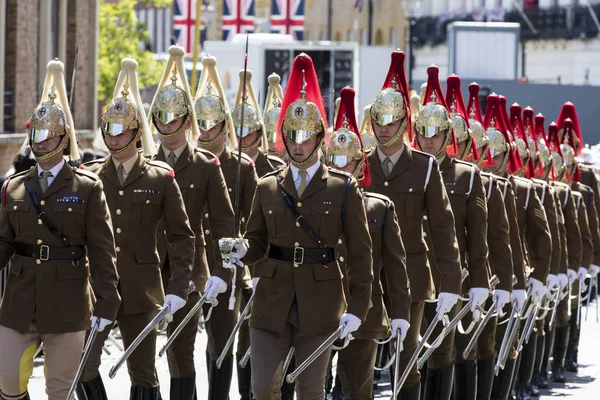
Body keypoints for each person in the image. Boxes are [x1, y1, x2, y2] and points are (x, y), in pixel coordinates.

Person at [222, 53, 373, 400]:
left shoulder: (343, 188)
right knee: (262, 389)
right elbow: (258, 240)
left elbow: (361, 256)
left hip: (321, 302)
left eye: (306, 136)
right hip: (272, 299)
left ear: (320, 137)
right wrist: (244, 250)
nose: (299, 143)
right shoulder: (267, 185)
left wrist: (357, 310)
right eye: (292, 135)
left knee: (310, 389)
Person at [0, 59, 120, 400]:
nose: (38, 143)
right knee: (8, 379)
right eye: (34, 136)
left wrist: (107, 304)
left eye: (46, 136)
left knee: (60, 390)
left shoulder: (87, 187)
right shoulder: (15, 188)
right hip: (20, 301)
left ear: (63, 139)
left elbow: (102, 248)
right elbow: (4, 240)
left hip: (68, 303)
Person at [78, 58, 195, 400]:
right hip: (97, 289)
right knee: (84, 365)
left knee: (142, 371)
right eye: (109, 131)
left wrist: (176, 288)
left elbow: (182, 236)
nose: (114, 138)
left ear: (136, 133)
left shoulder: (160, 177)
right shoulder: (92, 176)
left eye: (122, 131)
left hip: (142, 290)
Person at [366, 50, 463, 400]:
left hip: (412, 275)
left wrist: (450, 282)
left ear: (404, 122)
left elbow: (442, 227)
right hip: (367, 275)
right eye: (379, 122)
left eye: (391, 122)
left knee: (407, 360)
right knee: (358, 358)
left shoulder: (425, 167)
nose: (384, 129)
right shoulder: (360, 166)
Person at [148, 45, 235, 399]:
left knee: (180, 353)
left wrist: (224, 274)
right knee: (143, 358)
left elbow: (225, 223)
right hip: (147, 269)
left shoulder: (206, 167)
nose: (167, 127)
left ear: (188, 122)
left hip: (189, 272)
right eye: (161, 119)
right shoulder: (145, 166)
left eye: (174, 119)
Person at [325, 86, 411, 399]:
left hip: (366, 312)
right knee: (315, 388)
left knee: (358, 390)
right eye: (334, 159)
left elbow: (395, 266)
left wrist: (400, 311)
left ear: (361, 165)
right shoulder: (309, 205)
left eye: (347, 161)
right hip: (318, 309)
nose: (339, 166)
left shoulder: (379, 207)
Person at [414, 70, 490, 400]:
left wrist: (478, 282)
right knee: (409, 353)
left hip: (450, 277)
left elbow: (477, 238)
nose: (429, 139)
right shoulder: (408, 170)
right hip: (412, 276)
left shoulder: (467, 176)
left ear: (448, 136)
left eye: (436, 133)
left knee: (444, 355)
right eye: (423, 132)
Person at [193, 55, 259, 400]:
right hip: (189, 266)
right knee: (181, 349)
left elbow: (254, 222)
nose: (205, 131)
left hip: (229, 269)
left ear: (223, 126)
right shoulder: (187, 163)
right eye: (200, 124)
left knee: (222, 343)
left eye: (212, 124)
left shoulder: (242, 168)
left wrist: (241, 263)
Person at [464, 82, 514, 400]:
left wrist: (514, 283)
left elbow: (505, 238)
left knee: (486, 344)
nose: (490, 161)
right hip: (455, 275)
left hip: (491, 275)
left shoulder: (501, 188)